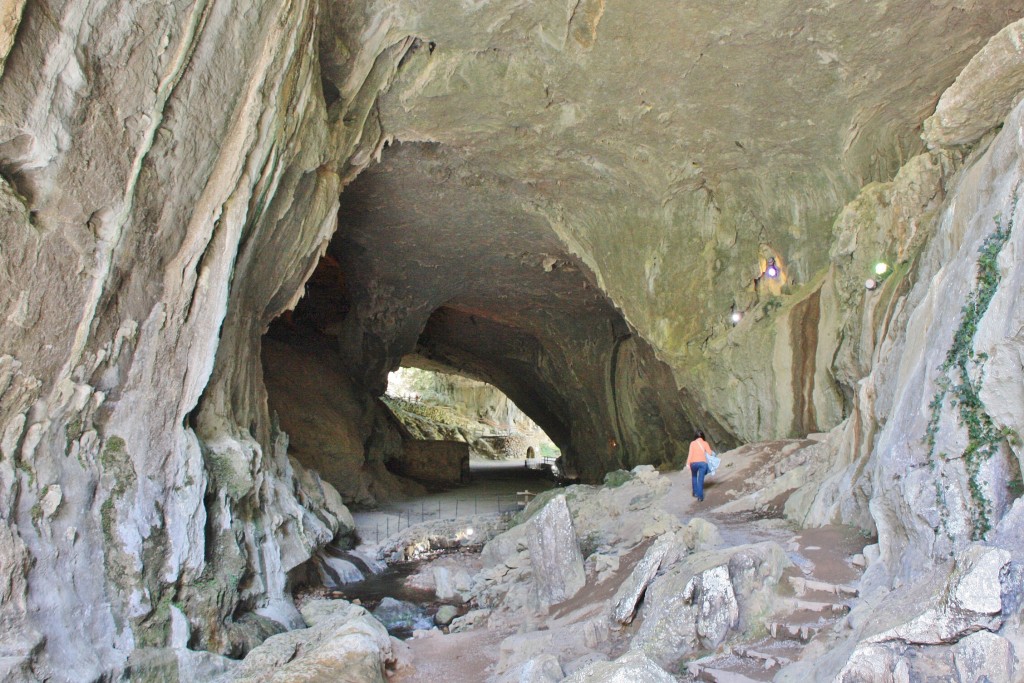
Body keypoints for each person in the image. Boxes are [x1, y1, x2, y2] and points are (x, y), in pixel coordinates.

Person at [686, 430, 713, 502]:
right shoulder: (705, 443)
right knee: (700, 479)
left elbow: (690, 454)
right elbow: (710, 453)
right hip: (702, 463)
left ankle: (695, 493)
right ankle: (700, 497)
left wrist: (688, 464)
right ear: (703, 436)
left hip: (693, 463)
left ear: (695, 436)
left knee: (694, 476)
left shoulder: (692, 443)